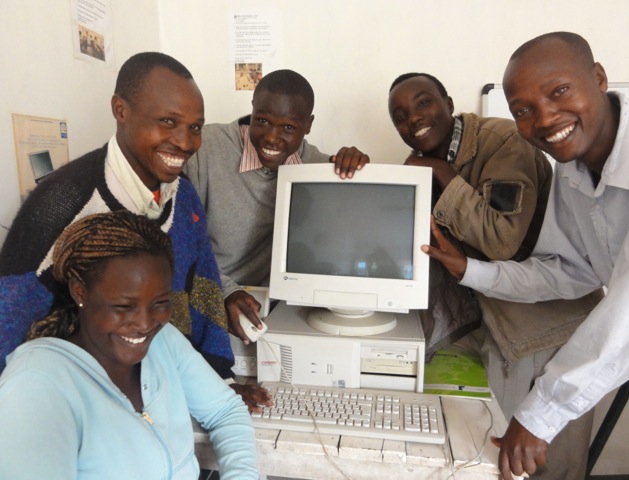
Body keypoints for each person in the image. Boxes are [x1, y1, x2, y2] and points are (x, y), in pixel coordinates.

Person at [423, 31, 629, 479]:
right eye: (523, 110)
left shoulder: (501, 145)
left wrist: (541, 412)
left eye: (559, 91)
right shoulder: (572, 170)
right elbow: (564, 271)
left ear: (598, 77)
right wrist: (469, 271)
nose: (544, 119)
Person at [0, 52, 265, 408]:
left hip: (165, 392)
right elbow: (10, 322)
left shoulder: (183, 196)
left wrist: (218, 379)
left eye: (195, 127)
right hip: (82, 406)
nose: (186, 143)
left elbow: (203, 287)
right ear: (120, 110)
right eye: (168, 121)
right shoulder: (62, 204)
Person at [389, 72, 602, 480]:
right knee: (497, 457)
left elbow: (502, 240)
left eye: (423, 103)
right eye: (400, 116)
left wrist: (440, 173)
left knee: (546, 466)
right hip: (495, 316)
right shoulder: (425, 164)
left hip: (545, 326)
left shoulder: (504, 142)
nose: (413, 119)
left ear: (448, 103)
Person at [0, 211, 258, 479]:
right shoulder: (36, 387)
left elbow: (226, 411)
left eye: (160, 303)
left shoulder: (164, 342)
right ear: (80, 291)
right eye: (123, 306)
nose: (145, 323)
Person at [185, 69, 369, 344]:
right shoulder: (206, 149)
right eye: (262, 121)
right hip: (205, 288)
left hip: (273, 304)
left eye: (288, 128)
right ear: (252, 110)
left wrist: (358, 165)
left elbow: (364, 219)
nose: (271, 138)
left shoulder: (316, 167)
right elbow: (181, 240)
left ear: (308, 125)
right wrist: (224, 291)